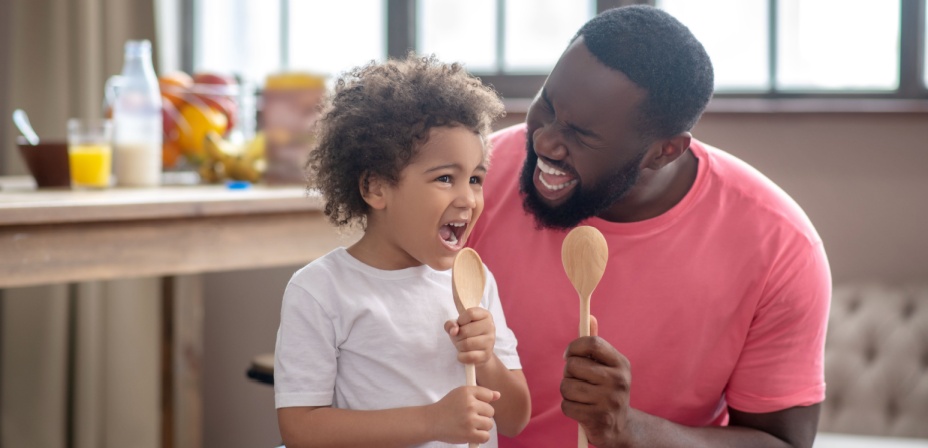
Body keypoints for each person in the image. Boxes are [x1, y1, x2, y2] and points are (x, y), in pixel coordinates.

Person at [468, 5, 830, 448]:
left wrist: (630, 430)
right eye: (546, 104)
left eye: (581, 134)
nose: (543, 141)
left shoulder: (779, 246)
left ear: (664, 152)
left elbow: (782, 444)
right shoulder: (471, 180)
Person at [274, 54, 531, 447]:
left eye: (476, 178)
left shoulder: (473, 283)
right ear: (376, 188)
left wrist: (486, 360)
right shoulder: (320, 290)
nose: (469, 198)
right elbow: (300, 430)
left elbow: (515, 419)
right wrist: (431, 422)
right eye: (445, 177)